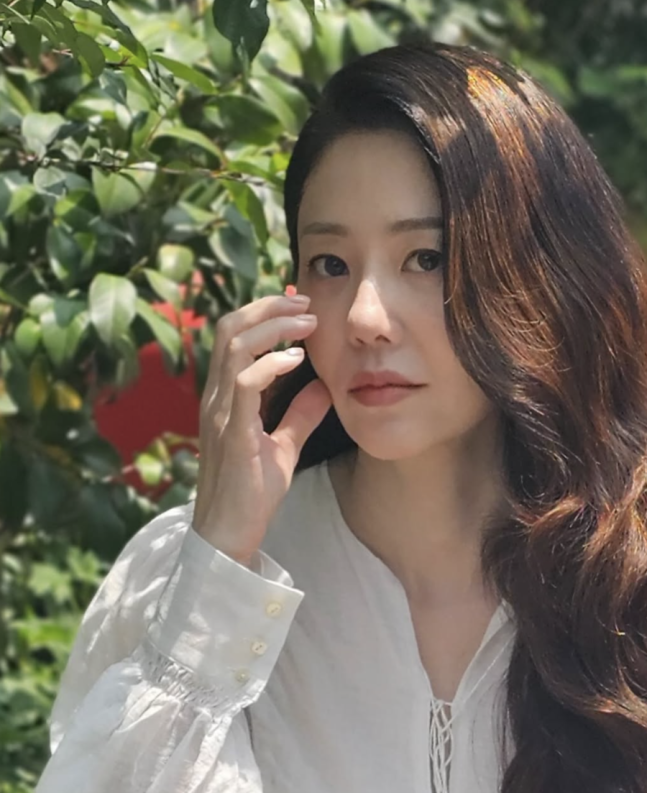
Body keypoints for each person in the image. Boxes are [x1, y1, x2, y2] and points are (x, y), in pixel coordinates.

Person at [35, 41, 647, 793]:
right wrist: (215, 575)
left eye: (426, 258)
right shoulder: (185, 577)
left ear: (543, 278)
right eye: (330, 265)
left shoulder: (622, 573)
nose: (363, 318)